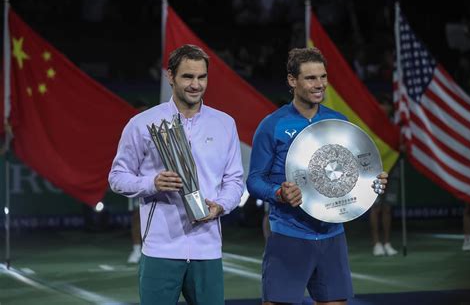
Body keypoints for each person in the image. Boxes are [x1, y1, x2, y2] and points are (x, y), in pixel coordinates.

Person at [247, 47, 388, 305]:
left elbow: (352, 172)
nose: (320, 84)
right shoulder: (272, 125)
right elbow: (254, 180)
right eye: (311, 78)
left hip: (332, 235)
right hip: (288, 234)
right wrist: (277, 193)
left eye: (323, 77)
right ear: (292, 81)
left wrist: (373, 182)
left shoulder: (339, 121)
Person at [109, 44, 244, 305]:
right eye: (187, 77)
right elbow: (117, 176)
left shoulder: (225, 123)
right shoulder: (143, 123)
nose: (196, 84)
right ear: (170, 76)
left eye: (201, 77)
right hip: (160, 248)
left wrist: (221, 206)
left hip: (207, 248)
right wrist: (152, 182)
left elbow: (234, 180)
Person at [370, 99, 398, 257]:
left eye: (387, 105)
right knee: (376, 208)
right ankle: (376, 243)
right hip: (376, 172)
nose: (384, 108)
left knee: (388, 208)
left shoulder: (396, 124)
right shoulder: (373, 125)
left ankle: (387, 242)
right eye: (382, 104)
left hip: (393, 170)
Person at [126, 100, 149, 264]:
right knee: (136, 216)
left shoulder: (155, 127)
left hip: (155, 179)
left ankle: (150, 249)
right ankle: (136, 250)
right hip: (136, 179)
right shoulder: (130, 130)